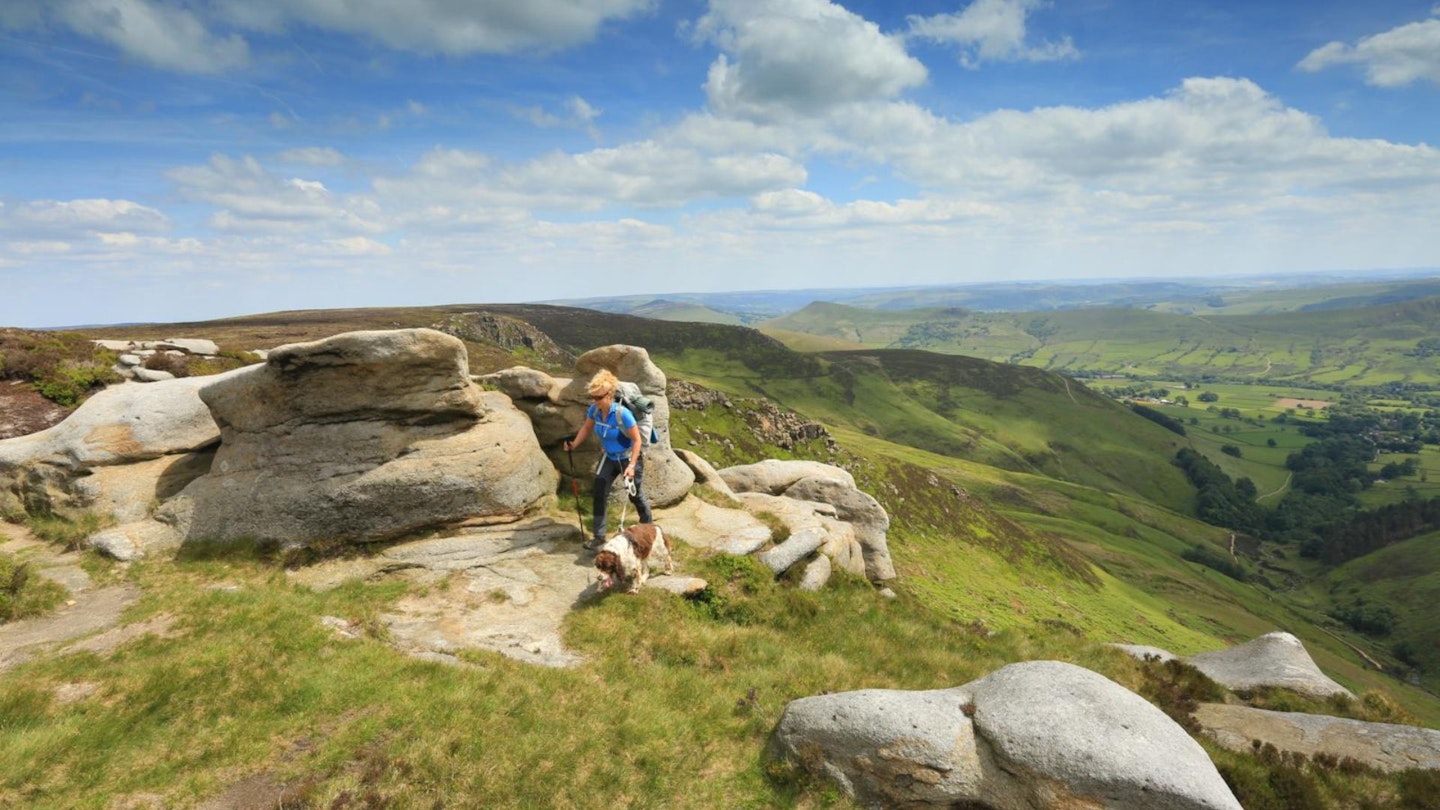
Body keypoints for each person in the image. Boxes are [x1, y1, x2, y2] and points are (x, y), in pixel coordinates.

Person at [562, 369, 652, 549]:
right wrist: (574, 445)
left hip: (628, 458)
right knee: (599, 492)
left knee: (635, 496)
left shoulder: (622, 414)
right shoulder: (594, 411)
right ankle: (599, 537)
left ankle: (649, 529)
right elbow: (586, 429)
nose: (594, 401)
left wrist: (632, 466)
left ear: (609, 394)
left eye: (598, 397)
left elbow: (637, 440)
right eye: (592, 397)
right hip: (610, 458)